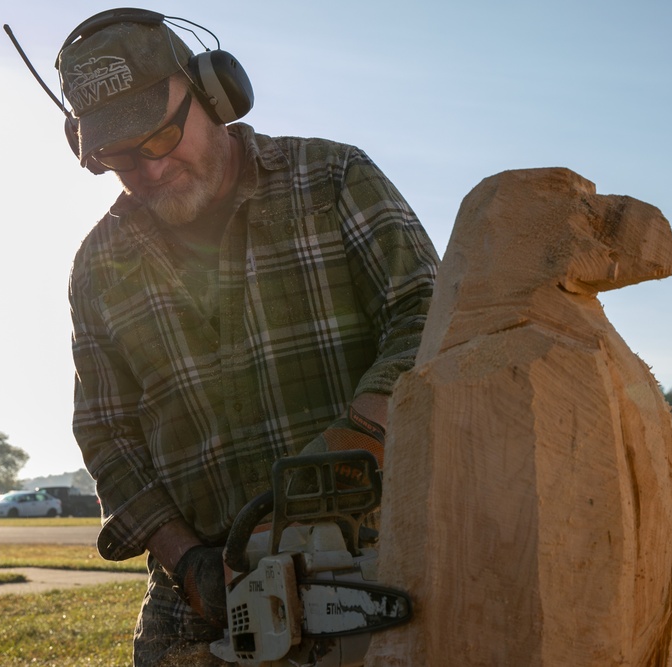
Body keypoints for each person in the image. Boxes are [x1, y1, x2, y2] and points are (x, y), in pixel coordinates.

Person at [58, 11, 439, 666]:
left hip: (367, 556)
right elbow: (106, 432)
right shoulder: (99, 265)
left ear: (214, 92)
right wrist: (190, 563)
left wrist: (349, 447)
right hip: (198, 590)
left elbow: (429, 316)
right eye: (119, 157)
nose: (148, 170)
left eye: (160, 136)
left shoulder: (334, 180)